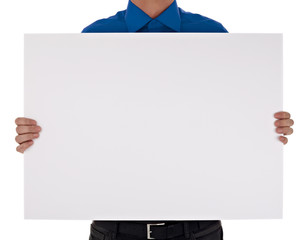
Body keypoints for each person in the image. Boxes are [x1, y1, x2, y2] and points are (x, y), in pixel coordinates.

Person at [15, 0, 295, 239]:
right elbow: (79, 125)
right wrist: (40, 134)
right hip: (114, 229)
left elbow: (230, 121)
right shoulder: (93, 36)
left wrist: (266, 130)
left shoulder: (214, 34)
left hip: (198, 229)